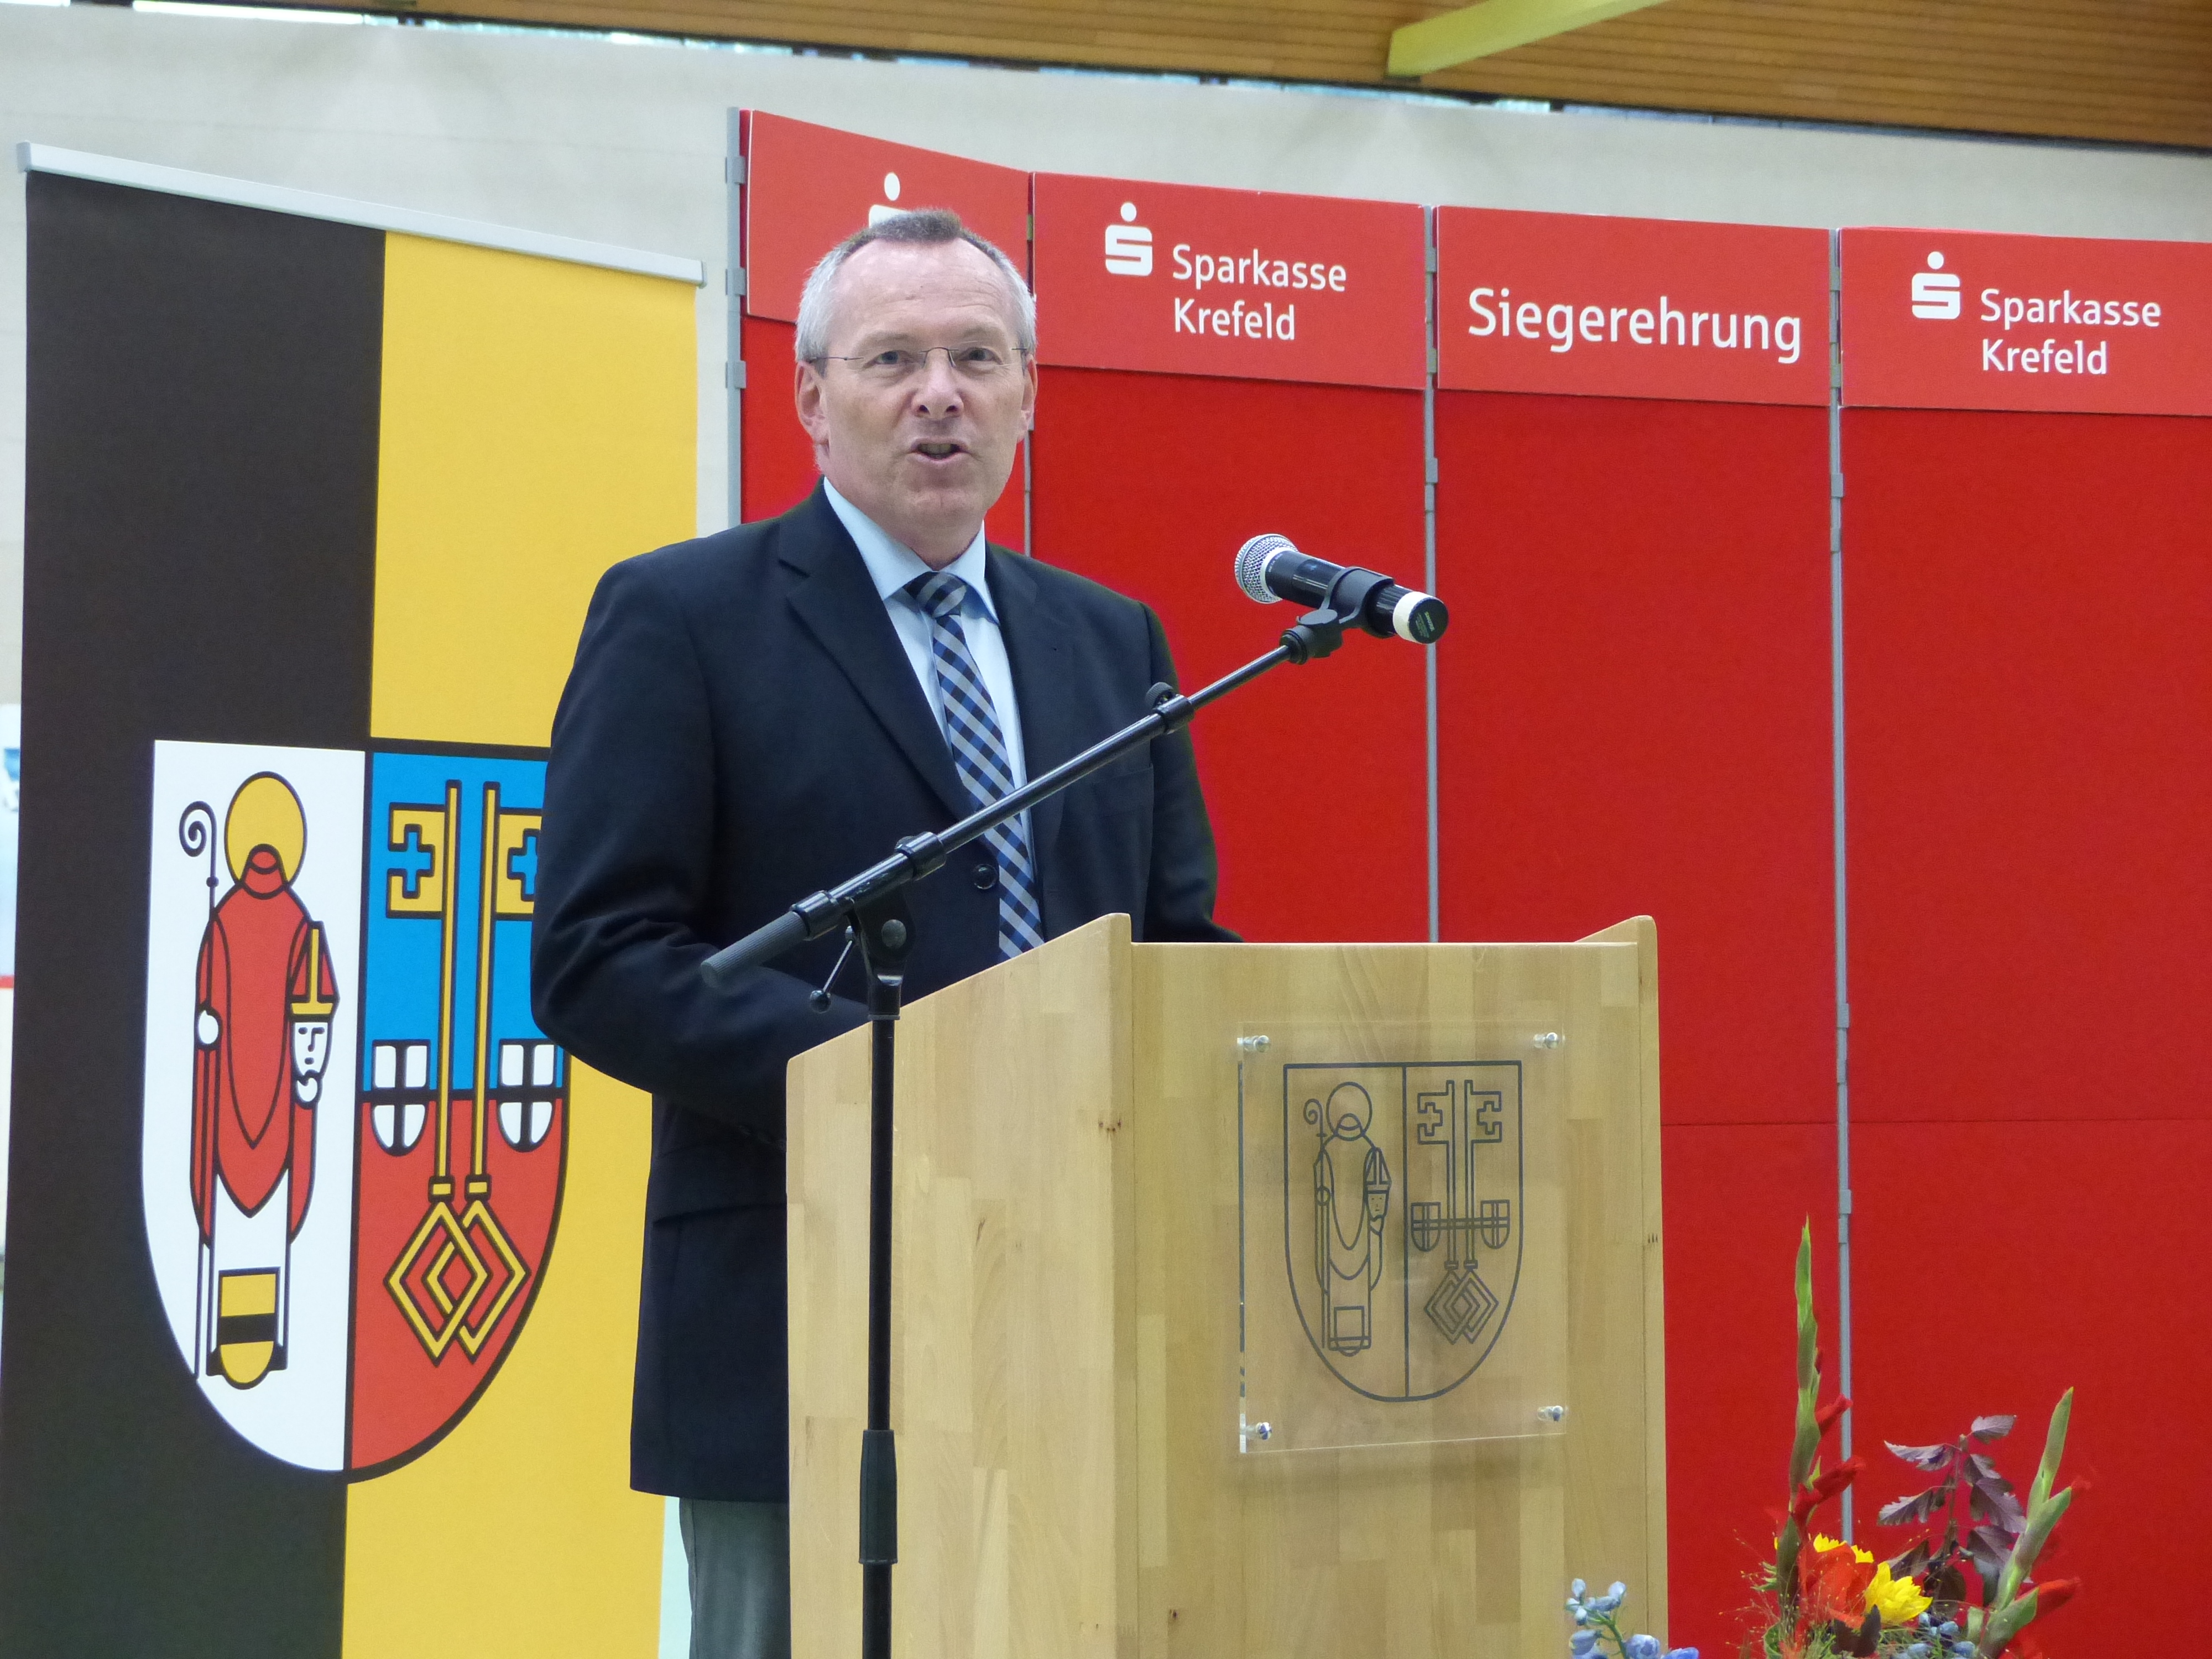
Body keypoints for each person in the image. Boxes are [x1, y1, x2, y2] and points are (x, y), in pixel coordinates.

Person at [530, 207, 1235, 1659]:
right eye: (894, 359)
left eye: (978, 358)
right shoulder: (682, 616)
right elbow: (600, 959)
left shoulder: (1114, 640)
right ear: (811, 397)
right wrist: (904, 1079)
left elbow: (1168, 942)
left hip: (1079, 1301)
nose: (940, 396)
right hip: (802, 1306)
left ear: (1029, 394)